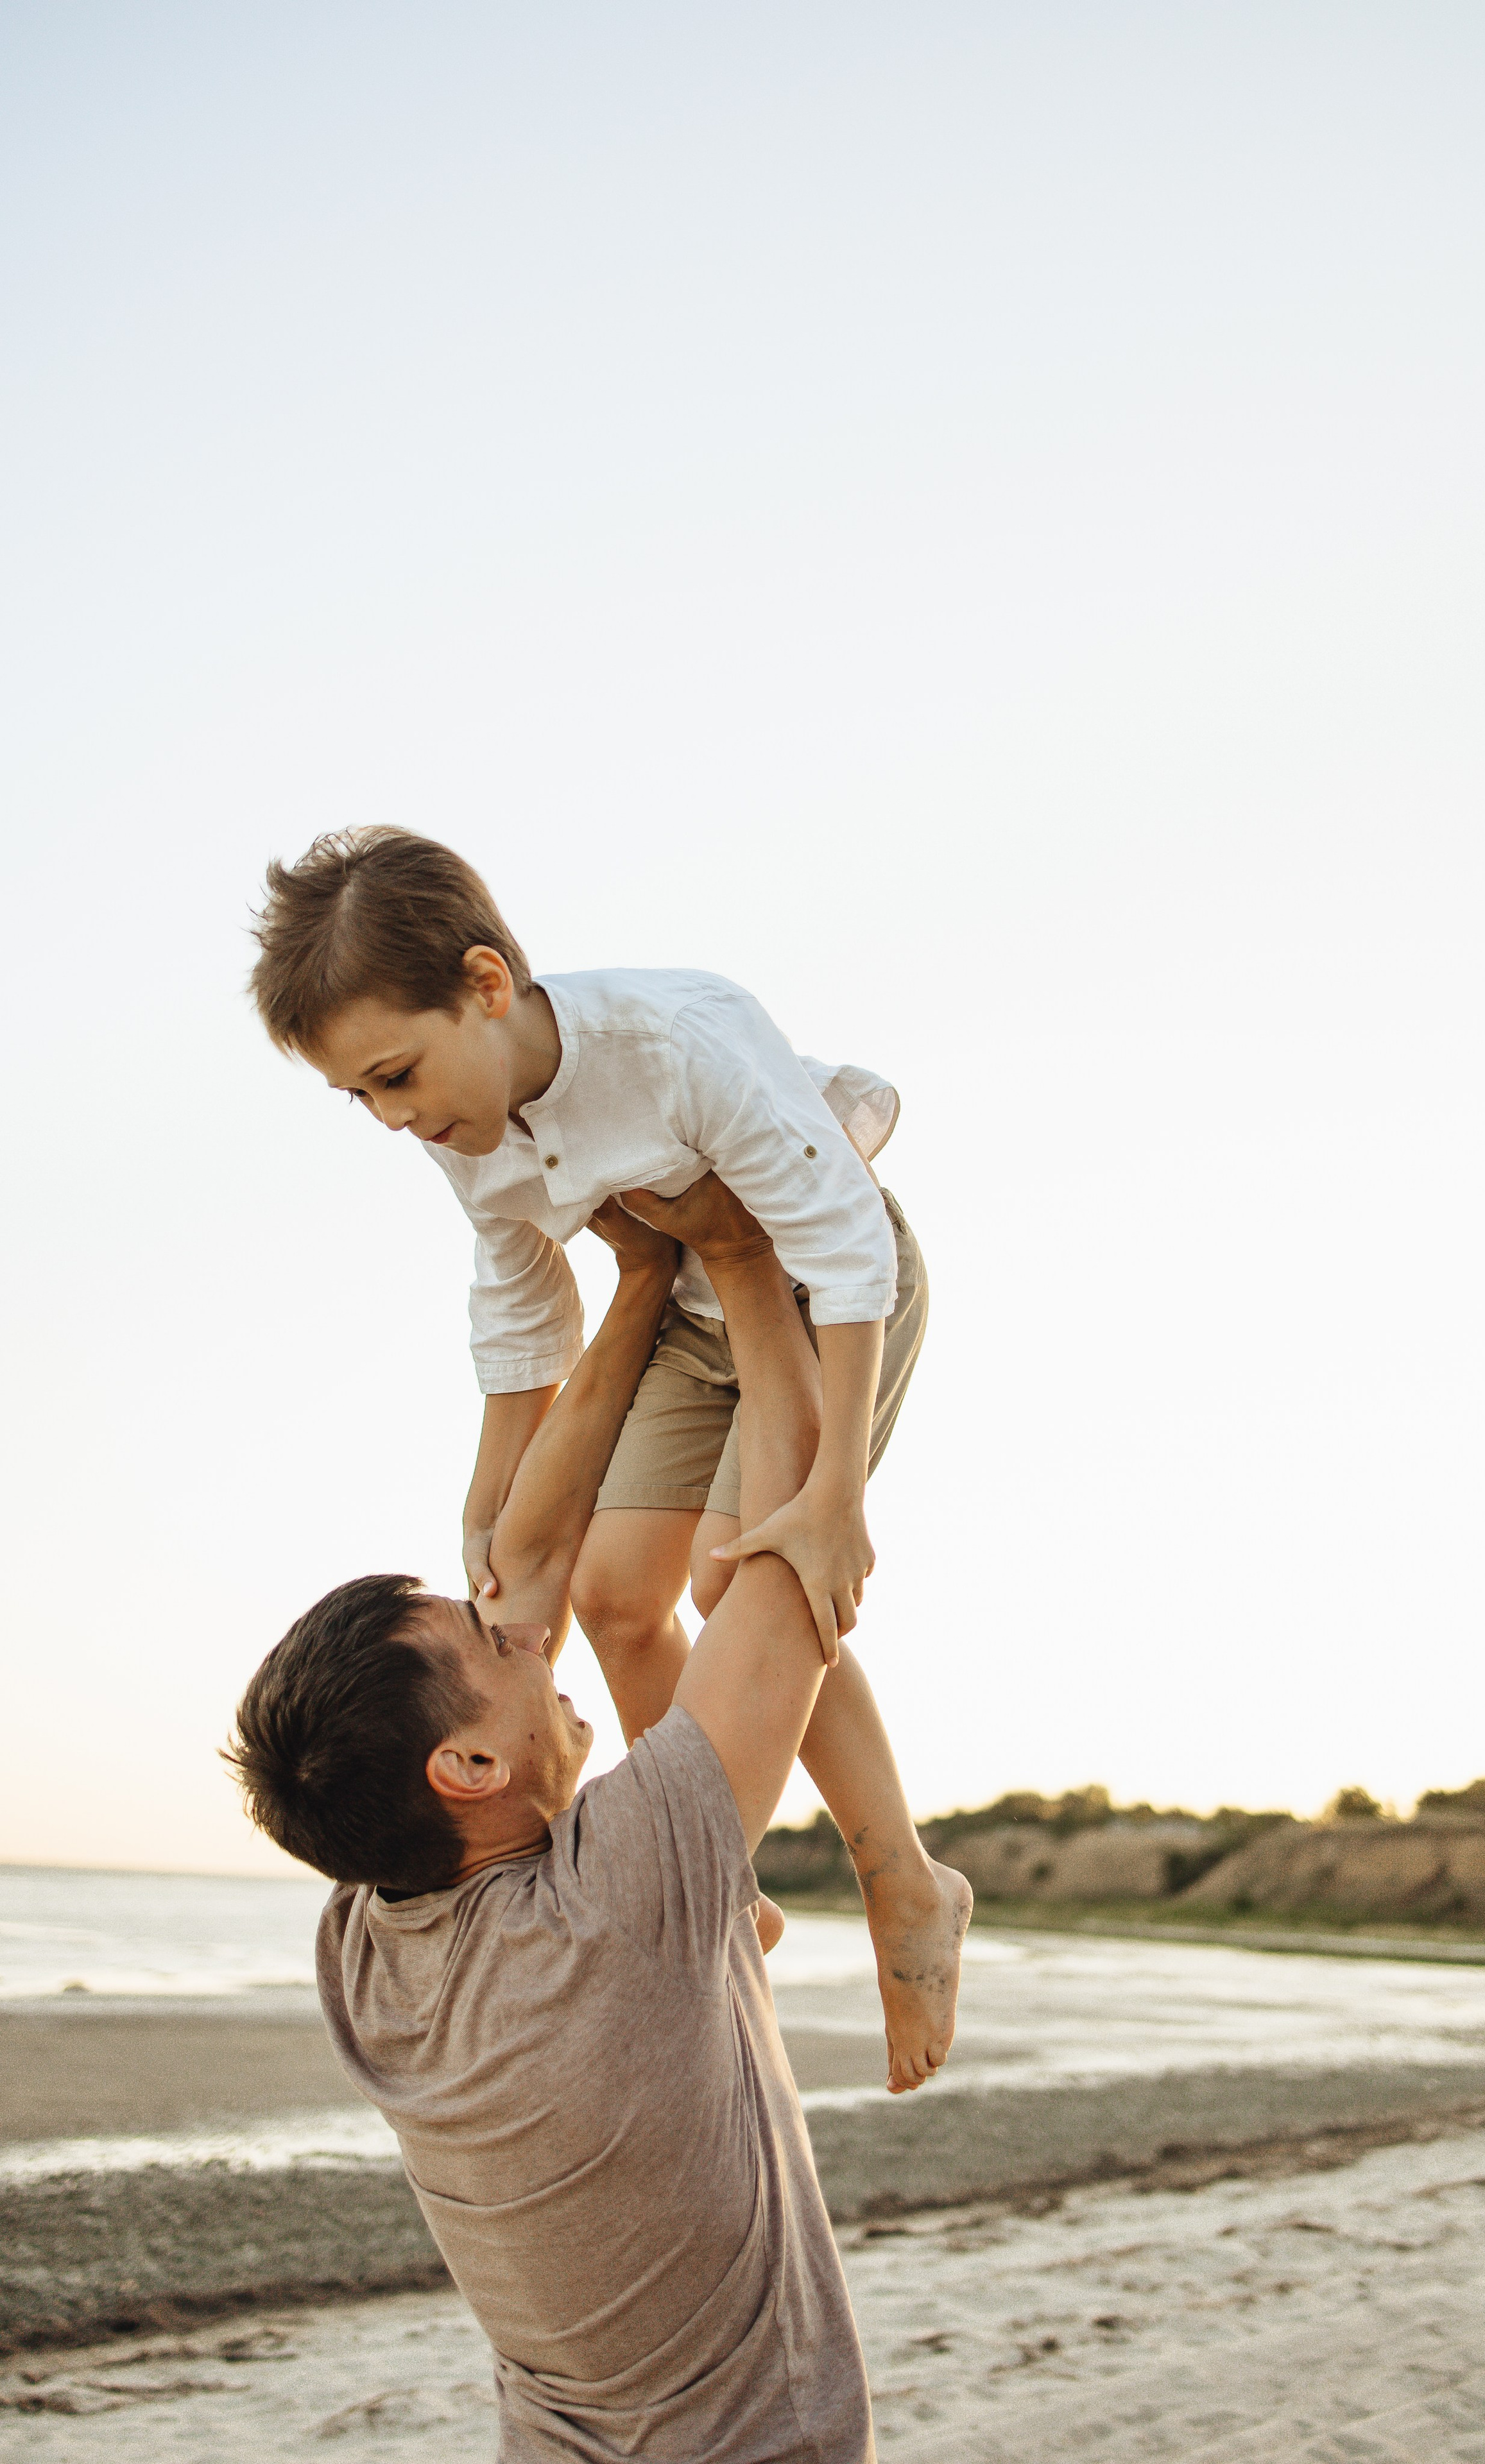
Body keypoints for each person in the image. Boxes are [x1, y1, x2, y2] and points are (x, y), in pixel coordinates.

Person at [228, 1177, 964, 2461]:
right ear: (462, 1766)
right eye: (494, 1643)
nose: (528, 1631)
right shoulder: (627, 1893)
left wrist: (632, 1285)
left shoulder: (367, 1951)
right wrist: (734, 1262)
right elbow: (786, 1573)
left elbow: (531, 1564)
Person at [248, 826, 967, 2089]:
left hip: (825, 1297)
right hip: (692, 1325)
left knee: (741, 1579)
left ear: (484, 985)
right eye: (360, 1095)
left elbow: (847, 1252)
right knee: (611, 1595)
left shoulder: (677, 1038)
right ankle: (726, 1893)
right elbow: (523, 1306)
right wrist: (492, 1482)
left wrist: (834, 1497)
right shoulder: (461, 1130)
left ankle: (899, 1879)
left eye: (398, 1075)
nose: (392, 1116)